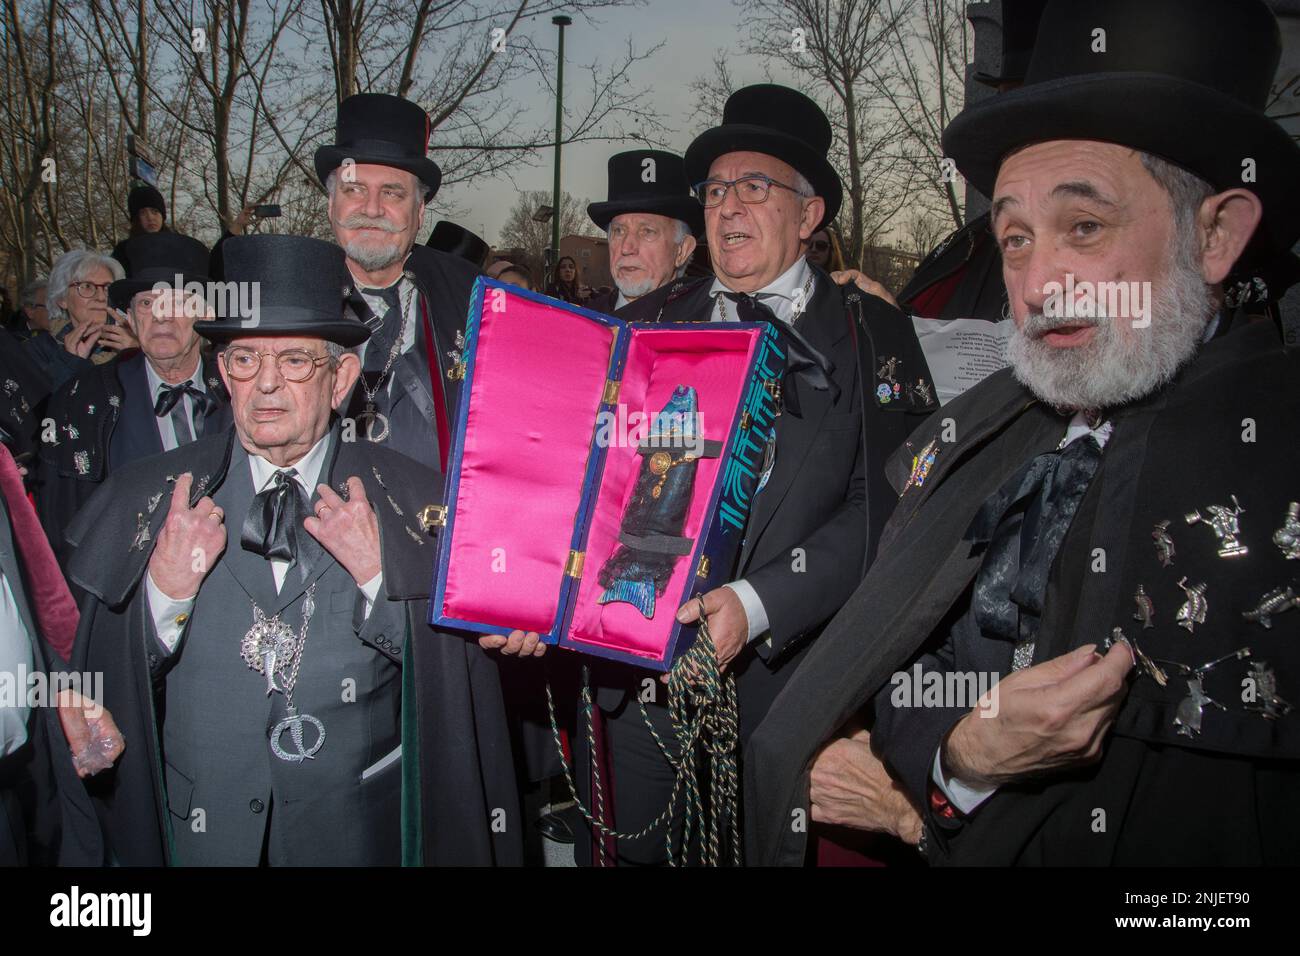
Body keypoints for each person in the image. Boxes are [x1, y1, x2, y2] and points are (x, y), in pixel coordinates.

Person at [747, 0, 1300, 867]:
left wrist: (915, 813)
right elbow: (904, 657)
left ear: (1217, 232)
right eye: (1013, 237)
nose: (1039, 282)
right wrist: (958, 757)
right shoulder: (991, 427)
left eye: (1085, 227)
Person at [485, 84, 935, 865]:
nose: (728, 207)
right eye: (717, 190)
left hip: (785, 686)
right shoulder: (642, 323)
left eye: (755, 187)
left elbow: (891, 510)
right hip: (633, 690)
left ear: (810, 213)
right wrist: (526, 591)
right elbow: (574, 486)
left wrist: (757, 605)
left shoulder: (873, 335)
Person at [59, 234, 520, 866]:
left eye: (298, 360)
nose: (267, 384)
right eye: (245, 359)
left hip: (357, 830)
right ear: (223, 373)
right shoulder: (148, 498)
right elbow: (100, 682)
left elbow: (459, 685)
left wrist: (383, 583)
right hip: (201, 831)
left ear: (342, 378)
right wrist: (163, 596)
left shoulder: (418, 501)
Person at [36, 233, 231, 566]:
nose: (161, 315)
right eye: (146, 303)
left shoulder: (241, 392)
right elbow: (60, 532)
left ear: (208, 314)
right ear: (129, 316)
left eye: (178, 302)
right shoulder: (82, 401)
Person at [316, 92, 482, 475]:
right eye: (354, 189)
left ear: (420, 211)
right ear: (330, 204)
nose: (372, 209)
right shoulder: (293, 296)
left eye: (392, 192)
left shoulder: (472, 296)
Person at [584, 149, 702, 314]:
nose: (626, 248)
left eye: (647, 231)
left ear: (682, 250)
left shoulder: (711, 327)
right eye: (618, 231)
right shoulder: (582, 325)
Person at [24, 250, 137, 391]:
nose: (101, 297)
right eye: (87, 287)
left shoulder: (139, 341)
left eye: (108, 287)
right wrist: (69, 363)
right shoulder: (38, 350)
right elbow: (42, 408)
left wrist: (136, 356)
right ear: (62, 299)